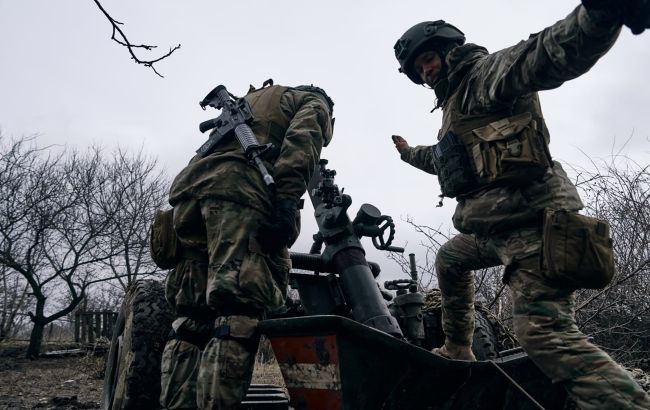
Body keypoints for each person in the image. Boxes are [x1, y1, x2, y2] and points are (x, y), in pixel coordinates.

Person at [392, 2, 650, 409]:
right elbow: (446, 161)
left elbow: (543, 55)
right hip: (494, 233)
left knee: (545, 336)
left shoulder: (483, 75)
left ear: (447, 50)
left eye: (427, 59)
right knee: (449, 260)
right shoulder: (455, 109)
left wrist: (600, 15)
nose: (425, 71)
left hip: (535, 228)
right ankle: (458, 348)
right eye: (417, 69)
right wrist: (408, 153)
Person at [160, 81, 334, 409]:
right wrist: (285, 201)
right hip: (238, 194)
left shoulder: (254, 101)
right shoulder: (314, 101)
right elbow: (302, 144)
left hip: (189, 199)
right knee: (236, 311)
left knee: (192, 319)